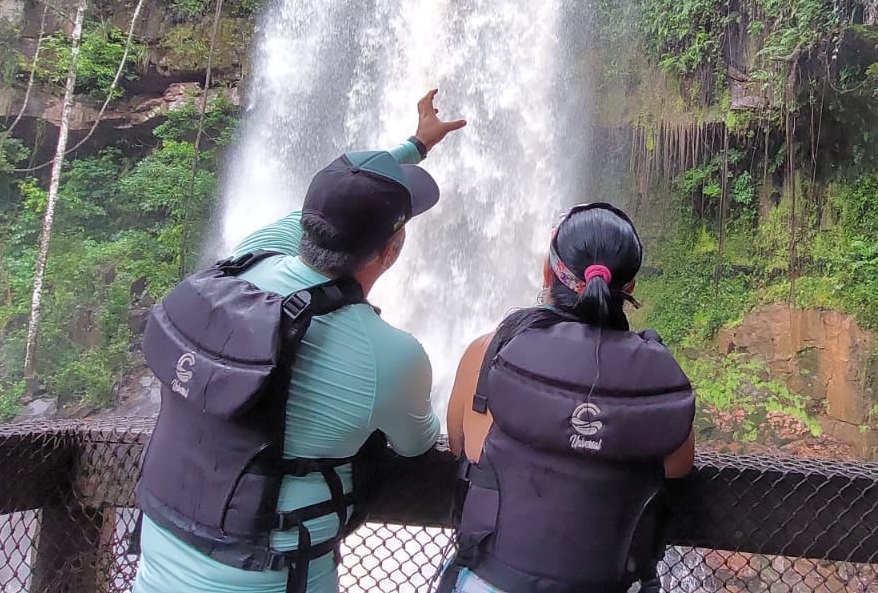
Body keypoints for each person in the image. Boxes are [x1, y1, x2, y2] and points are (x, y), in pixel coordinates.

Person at [133, 89, 467, 593]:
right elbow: (417, 444)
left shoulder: (248, 261)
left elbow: (320, 210)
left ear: (308, 221)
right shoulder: (391, 356)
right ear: (392, 250)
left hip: (157, 557)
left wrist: (413, 146)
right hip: (271, 580)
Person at [440, 202, 698, 593]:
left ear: (547, 272)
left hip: (491, 580)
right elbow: (678, 467)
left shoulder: (489, 352)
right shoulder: (657, 380)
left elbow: (460, 443)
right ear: (629, 287)